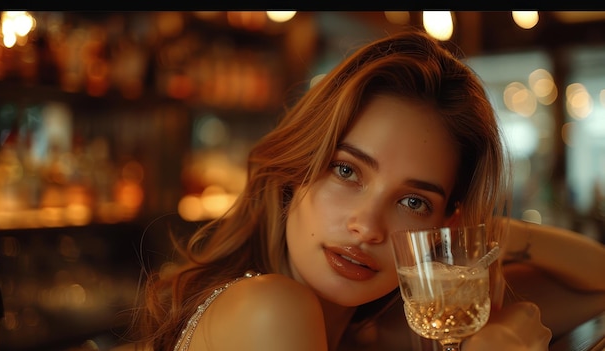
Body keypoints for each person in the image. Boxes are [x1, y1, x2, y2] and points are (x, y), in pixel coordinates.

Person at [131, 28, 552, 351]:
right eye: (347, 171)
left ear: (442, 227)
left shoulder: (371, 329)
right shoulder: (271, 309)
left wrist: (491, 234)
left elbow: (597, 280)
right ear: (297, 167)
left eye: (413, 202)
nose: (368, 227)